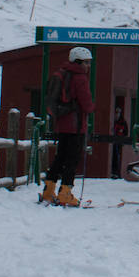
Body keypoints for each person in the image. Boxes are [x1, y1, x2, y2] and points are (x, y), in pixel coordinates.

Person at [41, 46, 94, 207]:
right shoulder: (80, 78)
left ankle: (48, 191)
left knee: (60, 157)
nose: (88, 66)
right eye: (86, 62)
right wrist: (92, 107)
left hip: (62, 123)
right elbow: (86, 103)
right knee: (72, 159)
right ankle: (65, 192)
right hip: (76, 125)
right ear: (78, 62)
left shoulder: (63, 73)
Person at [111, 105, 129, 179]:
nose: (117, 114)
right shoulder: (114, 121)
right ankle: (114, 172)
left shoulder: (122, 122)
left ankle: (116, 173)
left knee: (117, 156)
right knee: (114, 156)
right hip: (112, 141)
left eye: (118, 113)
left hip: (118, 142)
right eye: (116, 112)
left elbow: (126, 132)